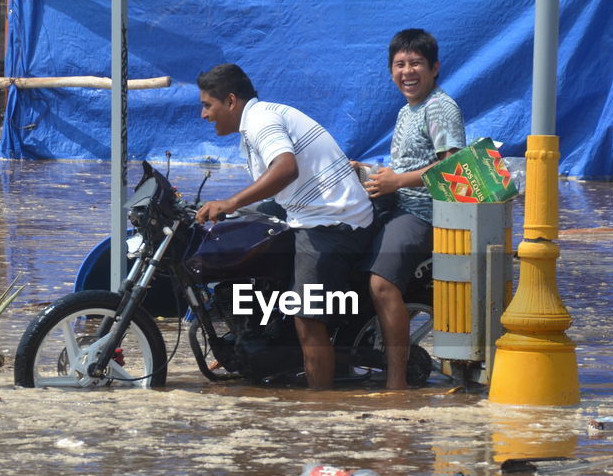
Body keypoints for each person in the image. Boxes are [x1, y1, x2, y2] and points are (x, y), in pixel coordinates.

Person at [195, 63, 372, 391]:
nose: (204, 115)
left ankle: (318, 409)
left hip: (332, 221)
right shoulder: (252, 128)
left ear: (231, 101)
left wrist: (230, 203)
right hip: (306, 212)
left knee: (305, 317)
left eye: (208, 105)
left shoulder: (261, 121)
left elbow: (285, 168)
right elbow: (277, 187)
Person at [360, 29, 465, 389]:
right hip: (399, 203)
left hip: (424, 213)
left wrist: (397, 182)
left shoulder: (438, 107)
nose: (407, 71)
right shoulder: (409, 109)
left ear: (434, 68)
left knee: (381, 284)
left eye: (416, 63)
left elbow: (453, 169)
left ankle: (396, 381)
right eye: (400, 64)